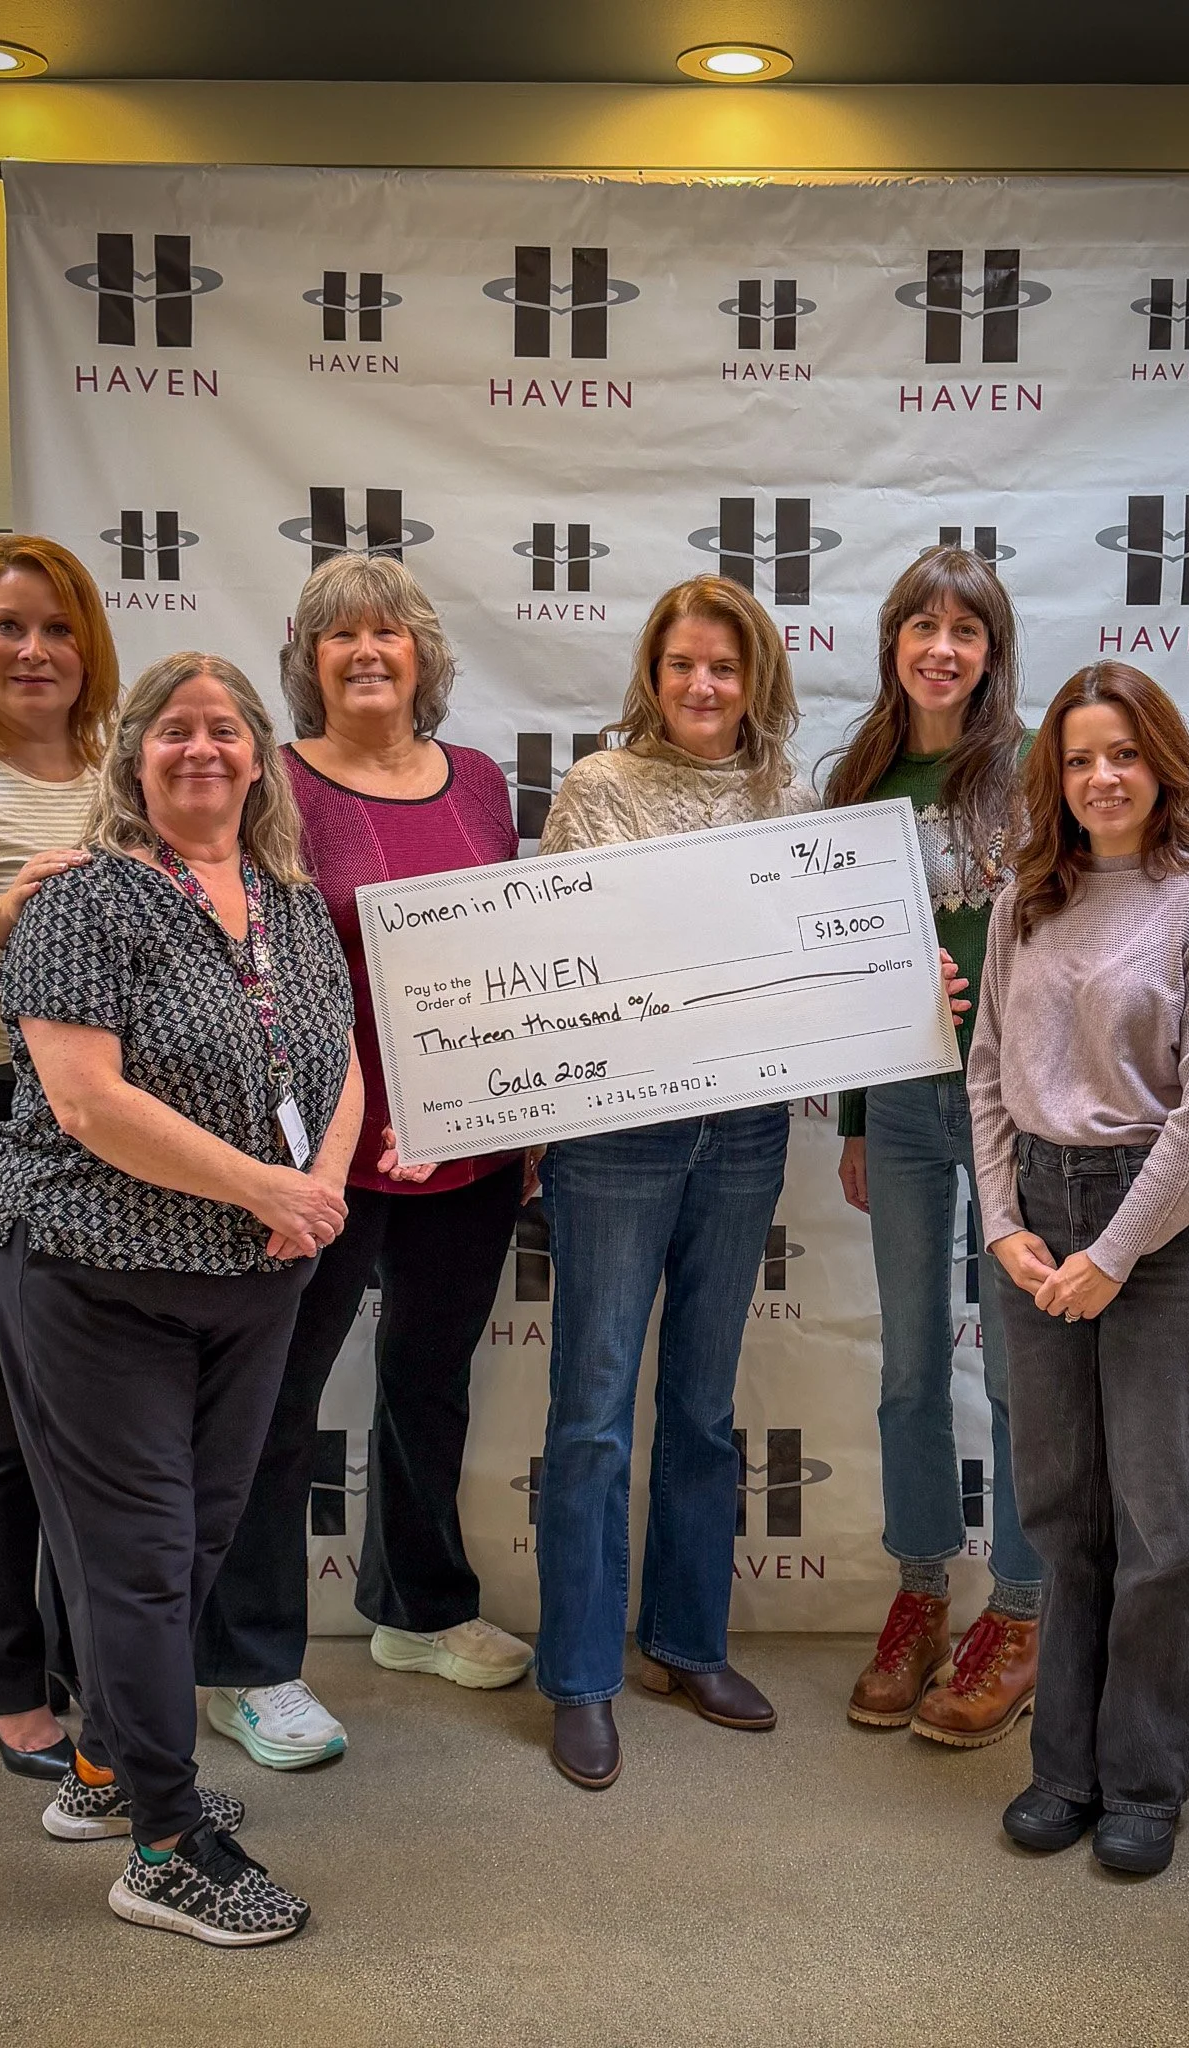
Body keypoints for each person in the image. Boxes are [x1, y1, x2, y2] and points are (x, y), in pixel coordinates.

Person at [0, 652, 360, 1944]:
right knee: (138, 1557)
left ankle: (101, 1759)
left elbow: (345, 1057)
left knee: (192, 1540)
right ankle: (164, 1840)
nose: (203, 749)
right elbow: (86, 1103)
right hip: (90, 1271)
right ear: (134, 758)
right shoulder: (86, 901)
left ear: (260, 756)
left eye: (227, 731)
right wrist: (269, 1186)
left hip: (250, 1279)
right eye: (175, 731)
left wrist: (319, 1187)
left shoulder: (287, 898)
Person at [197, 553, 532, 1769]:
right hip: (322, 1153)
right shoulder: (273, 785)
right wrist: (320, 1134)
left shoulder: (484, 782)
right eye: (341, 636)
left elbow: (518, 965)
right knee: (274, 1407)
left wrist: (525, 1113)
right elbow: (247, 965)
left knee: (429, 1385)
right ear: (311, 660)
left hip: (471, 1151)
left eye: (389, 632)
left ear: (424, 654)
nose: (368, 652)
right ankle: (246, 1663)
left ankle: (419, 1610)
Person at [968, 661, 1189, 1877]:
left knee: (1159, 1527)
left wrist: (1113, 1252)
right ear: (1056, 774)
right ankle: (1065, 1768)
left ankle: (1144, 1778)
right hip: (1038, 1219)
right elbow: (988, 1067)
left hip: (1170, 1227)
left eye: (1127, 754)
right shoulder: (1022, 903)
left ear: (1166, 766)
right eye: (1082, 756)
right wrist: (1002, 1223)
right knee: (1060, 1513)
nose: (1104, 776)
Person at [532, 575, 812, 1790]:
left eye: (727, 666)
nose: (704, 687)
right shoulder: (597, 789)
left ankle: (687, 1642)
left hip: (745, 1127)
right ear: (652, 674)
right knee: (592, 1410)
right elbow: (548, 956)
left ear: (758, 680)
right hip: (615, 1133)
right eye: (683, 663)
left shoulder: (789, 797)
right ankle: (583, 1673)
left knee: (701, 1404)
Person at [825, 545, 1045, 1746]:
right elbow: (846, 968)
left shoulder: (1028, 773)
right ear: (895, 642)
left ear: (991, 652)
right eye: (923, 623)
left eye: (968, 629)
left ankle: (1018, 1607)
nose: (943, 646)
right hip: (903, 1106)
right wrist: (856, 1120)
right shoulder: (859, 777)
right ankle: (920, 1588)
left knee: (1016, 1372)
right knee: (911, 1362)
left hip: (1015, 1104)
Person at [0, 535, 120, 1779]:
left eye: (56, 627)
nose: (34, 649)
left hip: (100, 1118)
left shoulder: (122, 774)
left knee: (94, 1411)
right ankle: (8, 1681)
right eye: (8, 626)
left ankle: (82, 1651)